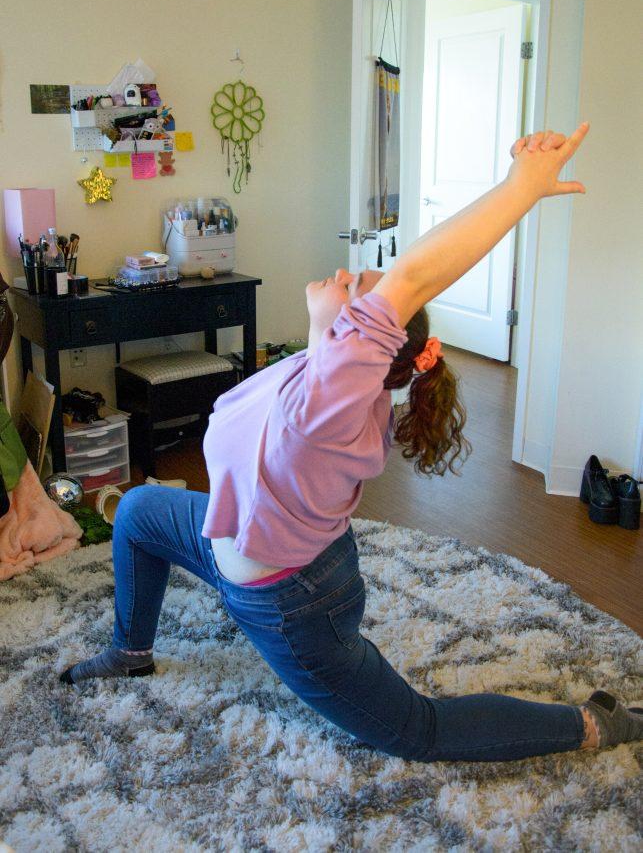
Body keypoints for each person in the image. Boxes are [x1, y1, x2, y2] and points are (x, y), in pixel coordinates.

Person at [60, 125, 643, 761]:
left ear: (364, 343)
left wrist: (520, 189)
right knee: (143, 511)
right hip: (244, 549)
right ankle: (130, 653)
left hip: (290, 603)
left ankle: (592, 724)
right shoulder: (315, 370)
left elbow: (418, 273)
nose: (346, 273)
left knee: (422, 730)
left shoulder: (328, 407)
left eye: (363, 286)